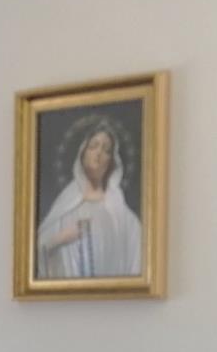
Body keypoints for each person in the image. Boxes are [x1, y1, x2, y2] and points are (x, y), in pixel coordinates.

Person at [36, 115, 142, 280]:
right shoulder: (64, 207)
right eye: (93, 146)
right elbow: (37, 250)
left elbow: (138, 265)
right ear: (82, 153)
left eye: (106, 150)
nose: (99, 153)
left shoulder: (125, 218)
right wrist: (61, 238)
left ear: (112, 161)